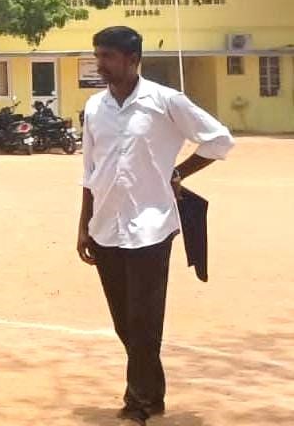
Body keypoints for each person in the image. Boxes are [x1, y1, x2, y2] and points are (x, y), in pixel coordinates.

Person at [77, 26, 234, 424]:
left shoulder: (165, 102)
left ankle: (140, 403)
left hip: (151, 225)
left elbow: (218, 140)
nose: (100, 64)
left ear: (133, 59)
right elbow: (89, 172)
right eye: (98, 56)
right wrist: (83, 225)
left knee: (144, 319)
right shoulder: (94, 108)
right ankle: (152, 393)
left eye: (108, 56)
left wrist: (178, 172)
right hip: (105, 226)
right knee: (124, 321)